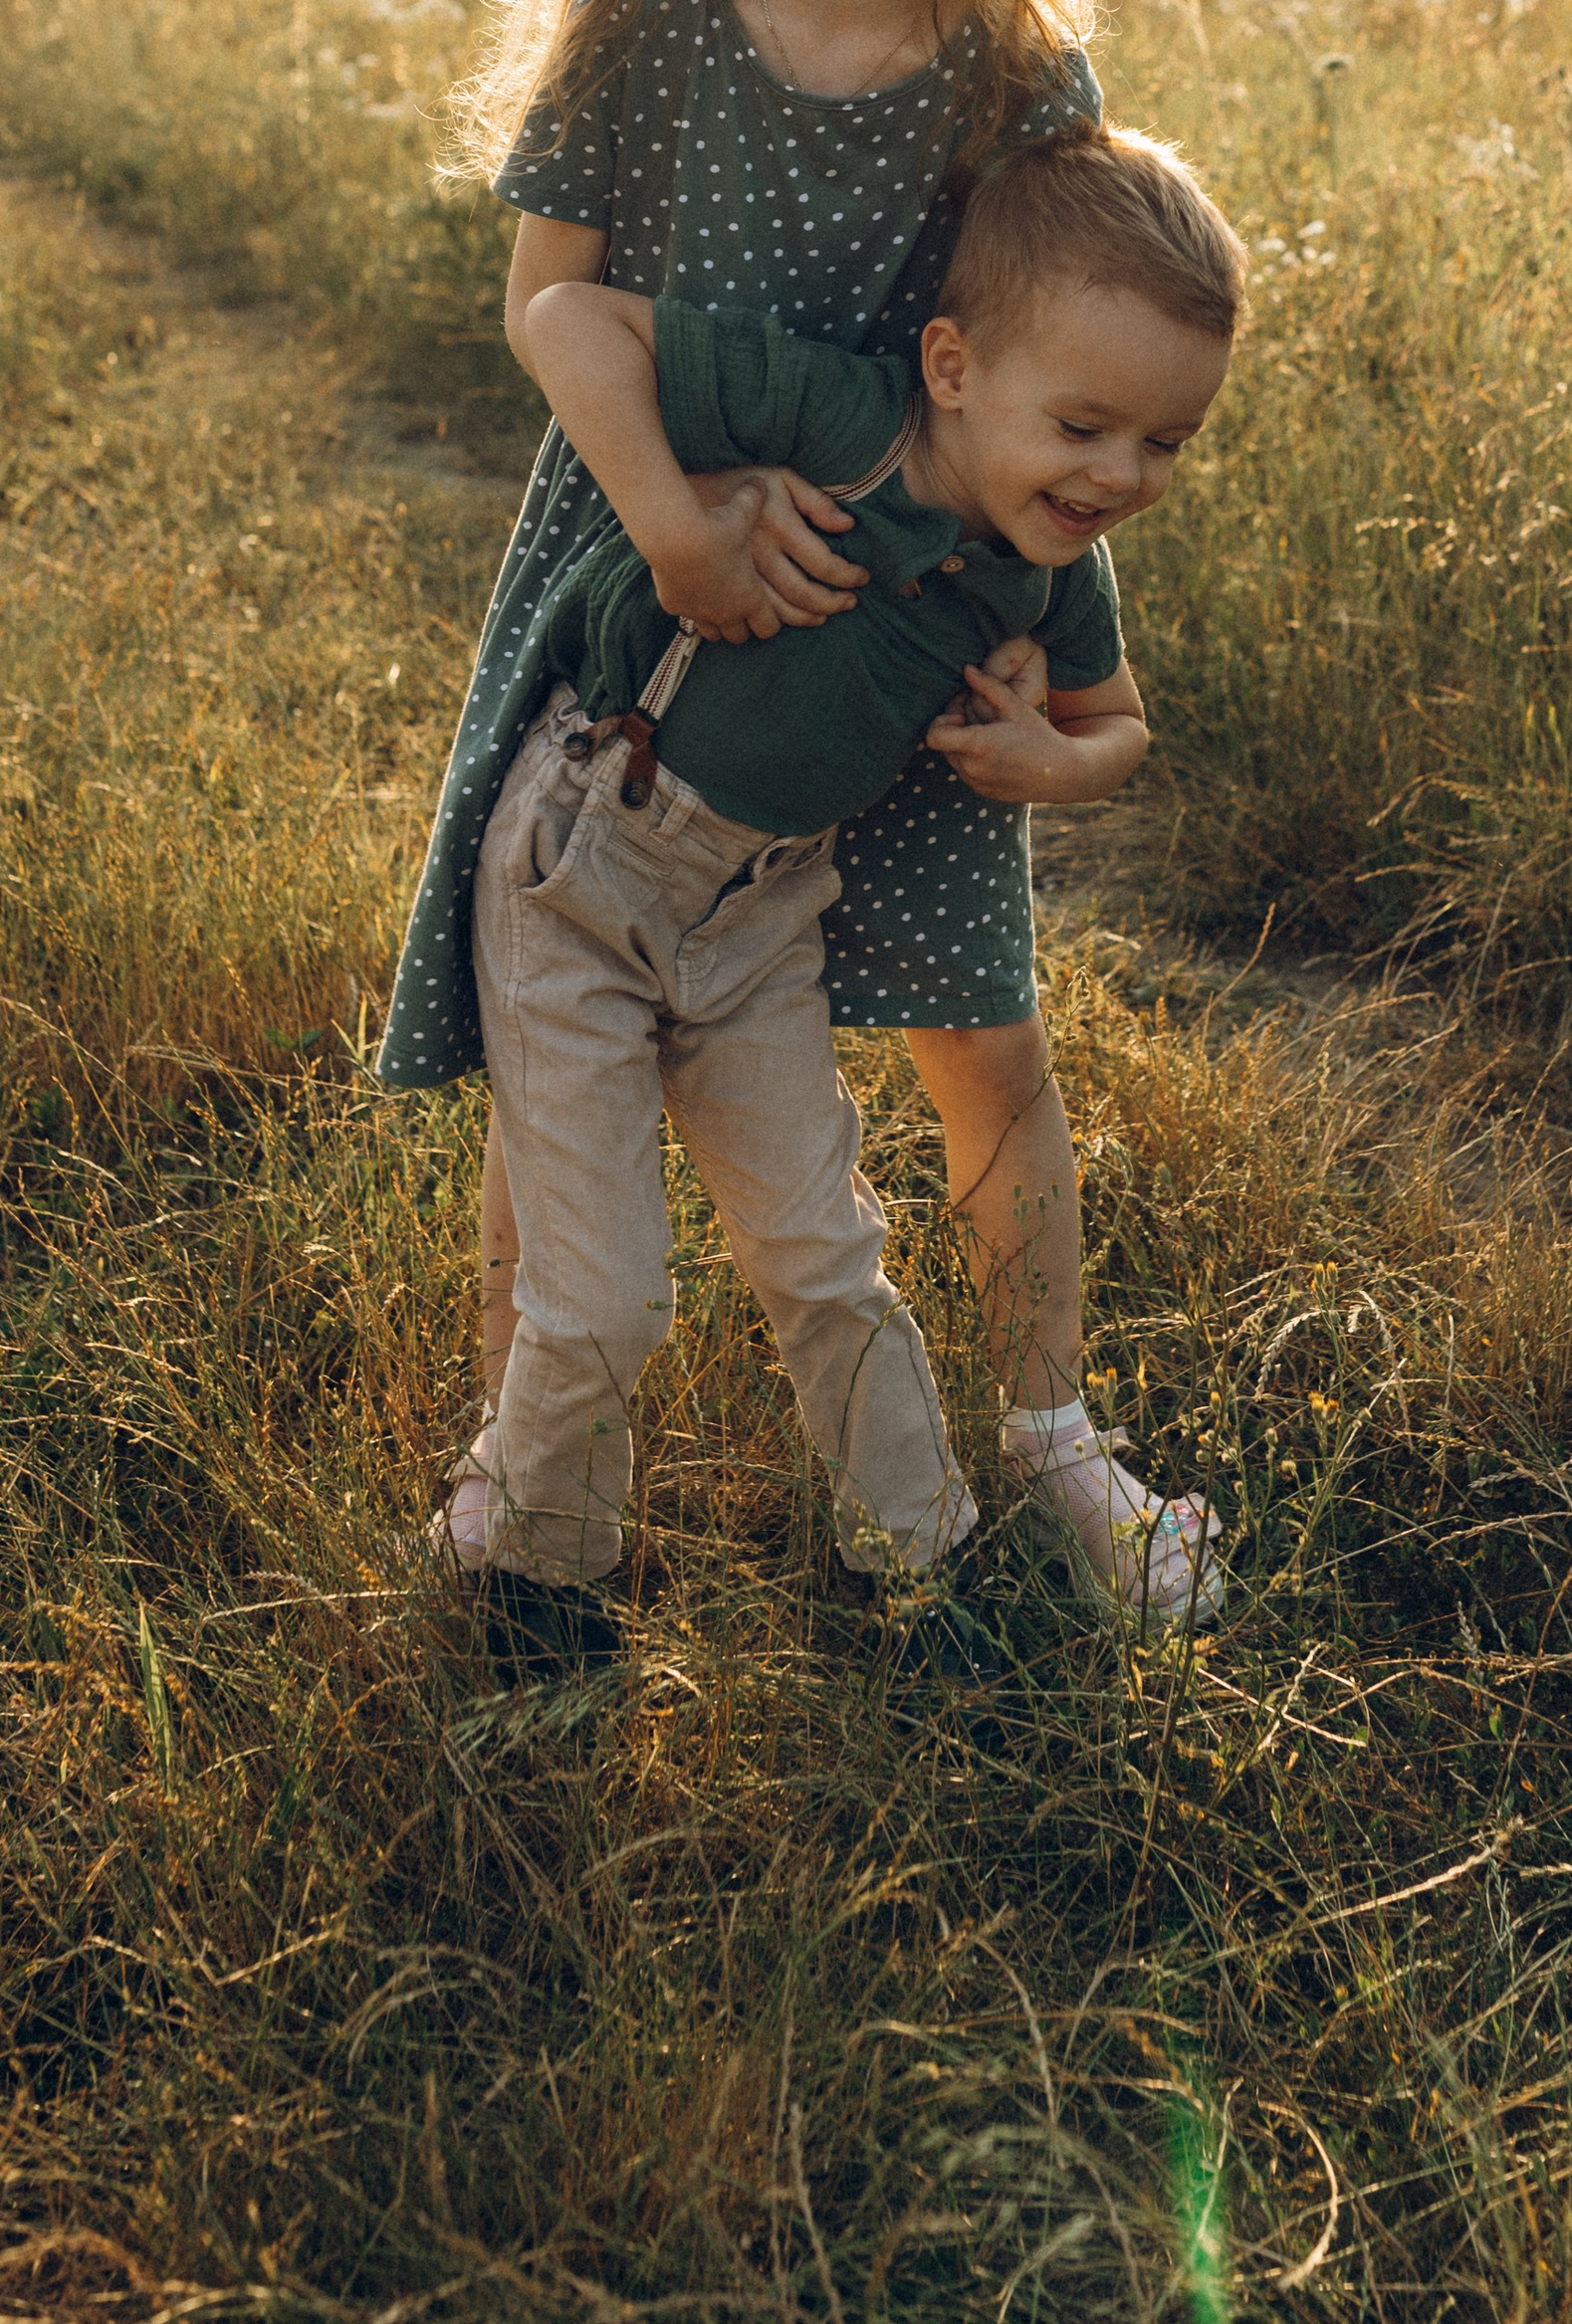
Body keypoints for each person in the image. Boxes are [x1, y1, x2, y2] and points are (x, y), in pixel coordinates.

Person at [376, 0, 1222, 1626]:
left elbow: (1059, 362)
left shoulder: (1015, 64)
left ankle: (1047, 1440)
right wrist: (675, 516)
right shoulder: (652, 0)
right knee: (552, 1031)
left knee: (979, 1037)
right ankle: (530, 1471)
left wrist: (1043, 694)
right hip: (653, 570)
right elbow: (546, 296)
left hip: (913, 615)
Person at [467, 122, 1243, 1659]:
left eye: (1166, 445)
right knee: (609, 1293)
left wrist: (1046, 756)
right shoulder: (839, 415)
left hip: (761, 918)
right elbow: (564, 316)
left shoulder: (1047, 568)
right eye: (1087, 425)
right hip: (585, 868)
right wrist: (679, 525)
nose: (1121, 477)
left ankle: (924, 1568)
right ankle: (539, 1574)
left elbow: (1122, 726)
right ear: (950, 366)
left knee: (828, 1256)